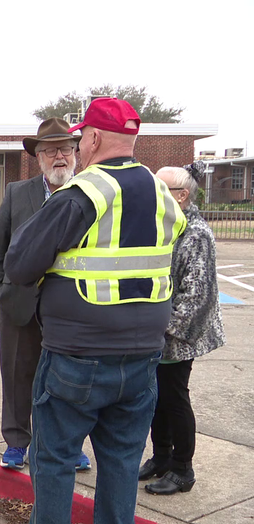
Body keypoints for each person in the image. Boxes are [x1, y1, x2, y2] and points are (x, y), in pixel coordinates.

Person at [4, 98, 186, 523]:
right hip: (142, 360)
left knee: (54, 464)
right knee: (122, 464)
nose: (79, 147)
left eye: (81, 137)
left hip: (77, 358)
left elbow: (20, 263)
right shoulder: (162, 192)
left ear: (95, 137)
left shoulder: (86, 192)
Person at [0, 118, 91, 472]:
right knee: (17, 373)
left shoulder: (89, 193)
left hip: (71, 307)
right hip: (19, 303)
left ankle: (68, 445)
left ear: (76, 152)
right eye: (50, 151)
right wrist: (0, 290)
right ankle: (17, 441)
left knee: (68, 380)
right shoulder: (18, 193)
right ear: (39, 157)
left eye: (65, 149)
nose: (59, 156)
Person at [140, 164, 225, 495]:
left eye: (160, 190)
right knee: (156, 399)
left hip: (177, 336)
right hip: (157, 332)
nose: (154, 196)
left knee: (174, 399)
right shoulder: (166, 225)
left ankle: (182, 469)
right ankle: (161, 457)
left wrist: (164, 330)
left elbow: (197, 294)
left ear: (181, 195)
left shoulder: (196, 233)